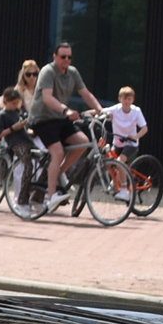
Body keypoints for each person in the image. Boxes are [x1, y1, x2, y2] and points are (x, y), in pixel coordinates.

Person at [32, 42, 103, 204]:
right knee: (57, 152)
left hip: (60, 119)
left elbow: (86, 94)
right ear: (55, 57)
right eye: (63, 57)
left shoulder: (72, 73)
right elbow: (47, 97)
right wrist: (66, 111)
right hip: (43, 119)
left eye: (69, 57)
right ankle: (51, 197)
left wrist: (100, 110)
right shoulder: (48, 72)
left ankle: (59, 172)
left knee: (83, 142)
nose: (66, 60)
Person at [108, 85, 147, 194]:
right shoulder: (115, 110)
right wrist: (84, 114)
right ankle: (115, 181)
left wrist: (135, 137)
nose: (126, 101)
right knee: (107, 163)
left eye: (129, 99)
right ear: (120, 99)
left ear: (133, 100)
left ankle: (124, 190)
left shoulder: (136, 111)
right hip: (117, 143)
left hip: (130, 144)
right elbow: (99, 111)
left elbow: (144, 128)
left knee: (120, 162)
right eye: (124, 98)